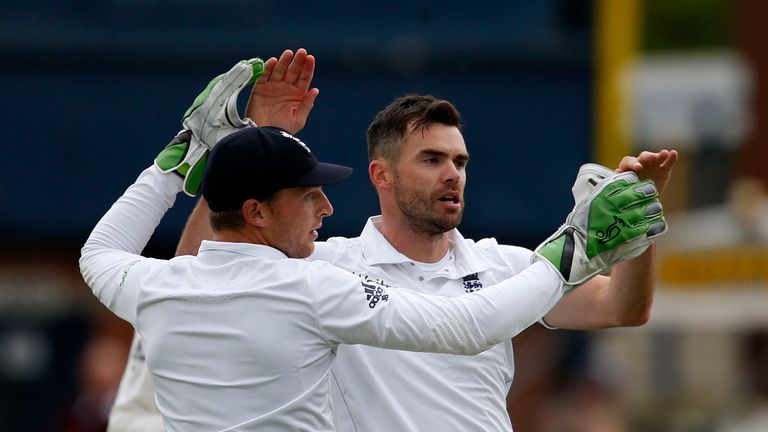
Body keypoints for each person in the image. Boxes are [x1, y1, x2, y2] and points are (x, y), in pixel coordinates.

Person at [102, 49, 675, 431]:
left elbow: (624, 307)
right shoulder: (322, 266)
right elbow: (206, 266)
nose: (453, 173)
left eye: (460, 160)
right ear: (381, 175)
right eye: (431, 159)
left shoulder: (503, 265)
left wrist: (641, 222)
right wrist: (247, 148)